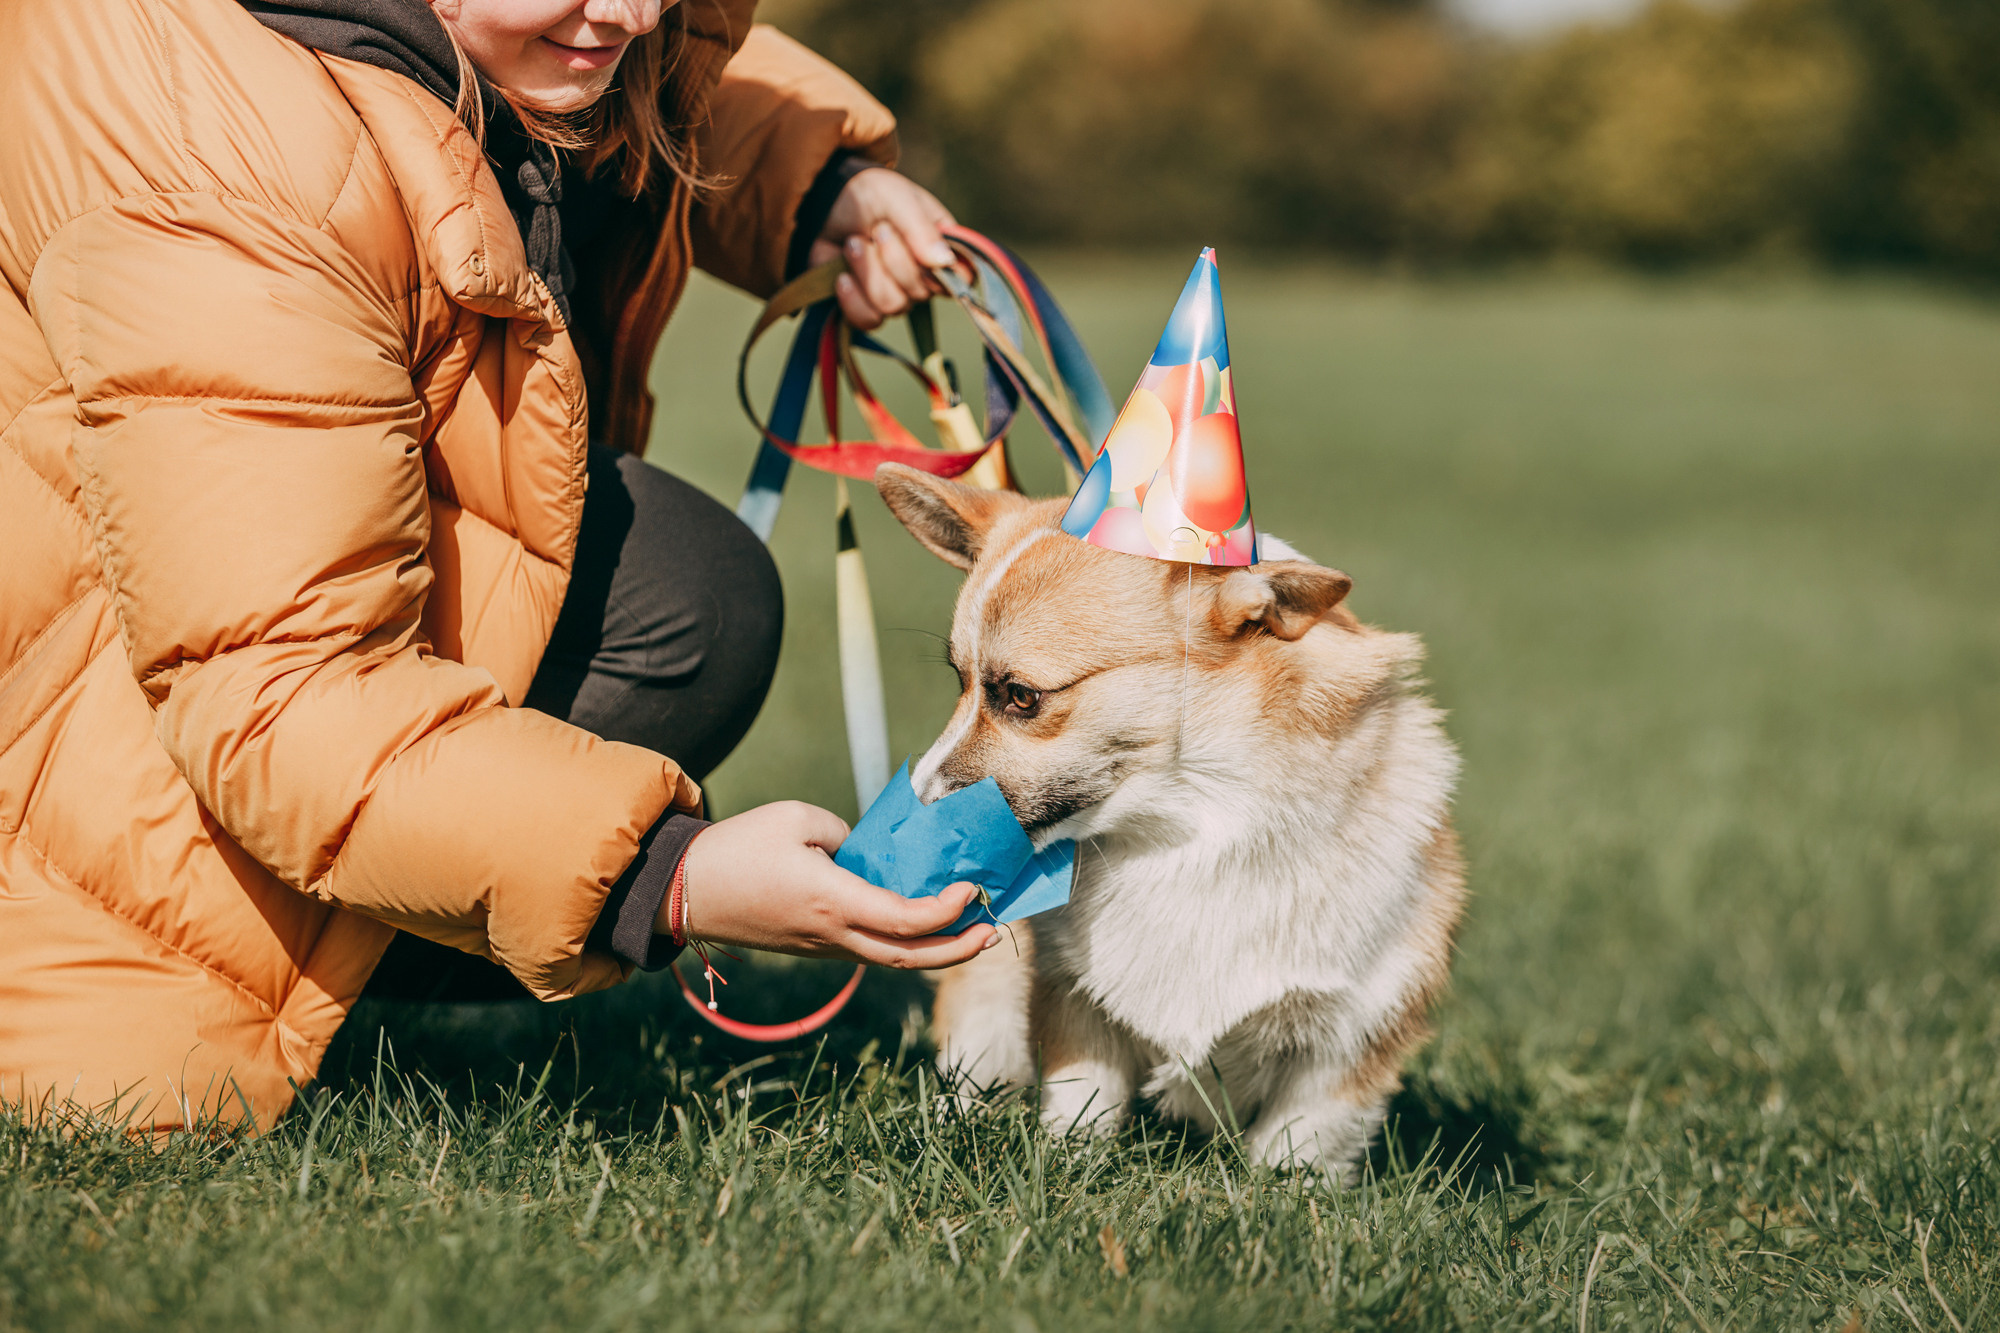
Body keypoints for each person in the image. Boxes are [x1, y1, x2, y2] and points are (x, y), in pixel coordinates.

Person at [0, 0, 997, 1133]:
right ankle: (206, 964)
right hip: (96, 765)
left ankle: (386, 912)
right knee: (675, 608)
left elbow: (660, 58)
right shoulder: (218, 163)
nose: (628, 12)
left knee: (684, 597)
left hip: (204, 637)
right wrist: (663, 877)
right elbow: (279, 697)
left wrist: (816, 188)